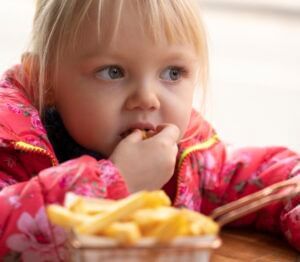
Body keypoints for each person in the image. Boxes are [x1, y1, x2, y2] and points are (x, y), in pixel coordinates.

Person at [0, 0, 299, 260]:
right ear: (46, 80)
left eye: (172, 73)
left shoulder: (191, 157)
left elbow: (280, 182)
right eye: (113, 71)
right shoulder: (11, 149)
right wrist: (115, 182)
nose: (147, 98)